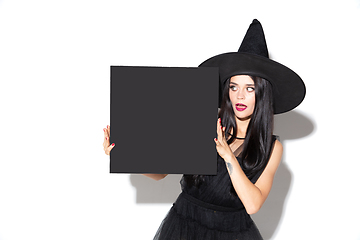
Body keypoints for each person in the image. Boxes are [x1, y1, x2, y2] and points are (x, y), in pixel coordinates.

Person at [103, 19, 305, 239]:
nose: (240, 96)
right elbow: (160, 173)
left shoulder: (271, 147)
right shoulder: (204, 121)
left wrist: (228, 156)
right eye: (234, 87)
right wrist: (125, 154)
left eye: (250, 88)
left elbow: (253, 204)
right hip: (184, 227)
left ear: (262, 94)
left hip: (232, 233)